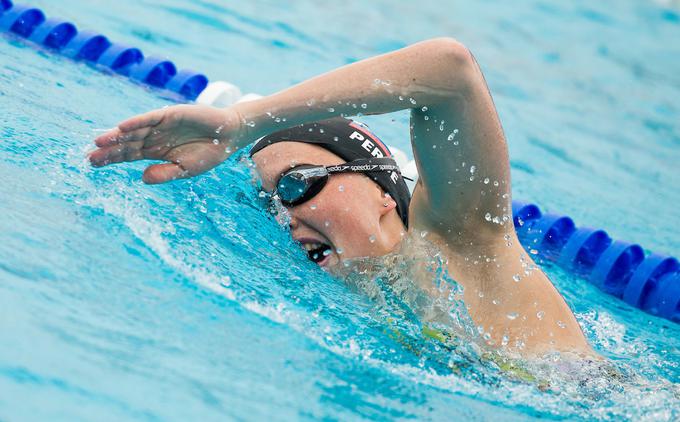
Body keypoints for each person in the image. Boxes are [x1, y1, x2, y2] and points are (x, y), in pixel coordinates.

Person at [89, 38, 593, 357]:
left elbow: (450, 71)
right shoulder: (365, 309)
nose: (288, 215)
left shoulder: (462, 239)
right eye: (274, 204)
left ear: (377, 186)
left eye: (295, 183)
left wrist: (244, 123)